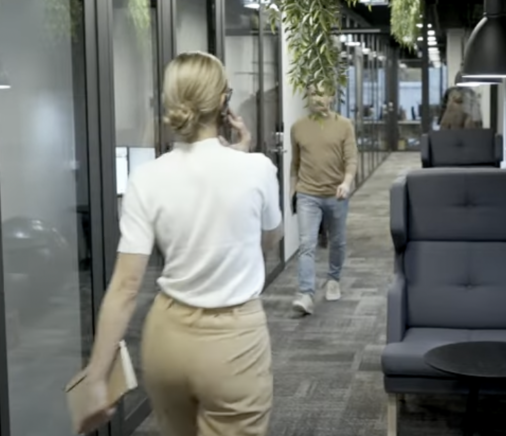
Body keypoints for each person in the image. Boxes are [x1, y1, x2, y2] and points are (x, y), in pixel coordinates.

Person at [76, 52, 283, 436]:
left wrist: (96, 376)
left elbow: (124, 287)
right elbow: (270, 240)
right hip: (233, 342)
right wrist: (244, 154)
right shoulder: (257, 170)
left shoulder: (148, 178)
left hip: (167, 340)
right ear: (223, 102)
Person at [289, 85, 358, 316]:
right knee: (306, 244)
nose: (318, 98)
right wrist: (293, 190)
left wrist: (346, 183)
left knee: (337, 241)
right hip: (308, 193)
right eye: (313, 93)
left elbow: (351, 160)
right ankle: (306, 293)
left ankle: (333, 279)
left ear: (331, 96)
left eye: (322, 93)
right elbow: (295, 164)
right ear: (307, 97)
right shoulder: (298, 127)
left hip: (336, 194)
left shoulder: (344, 125)